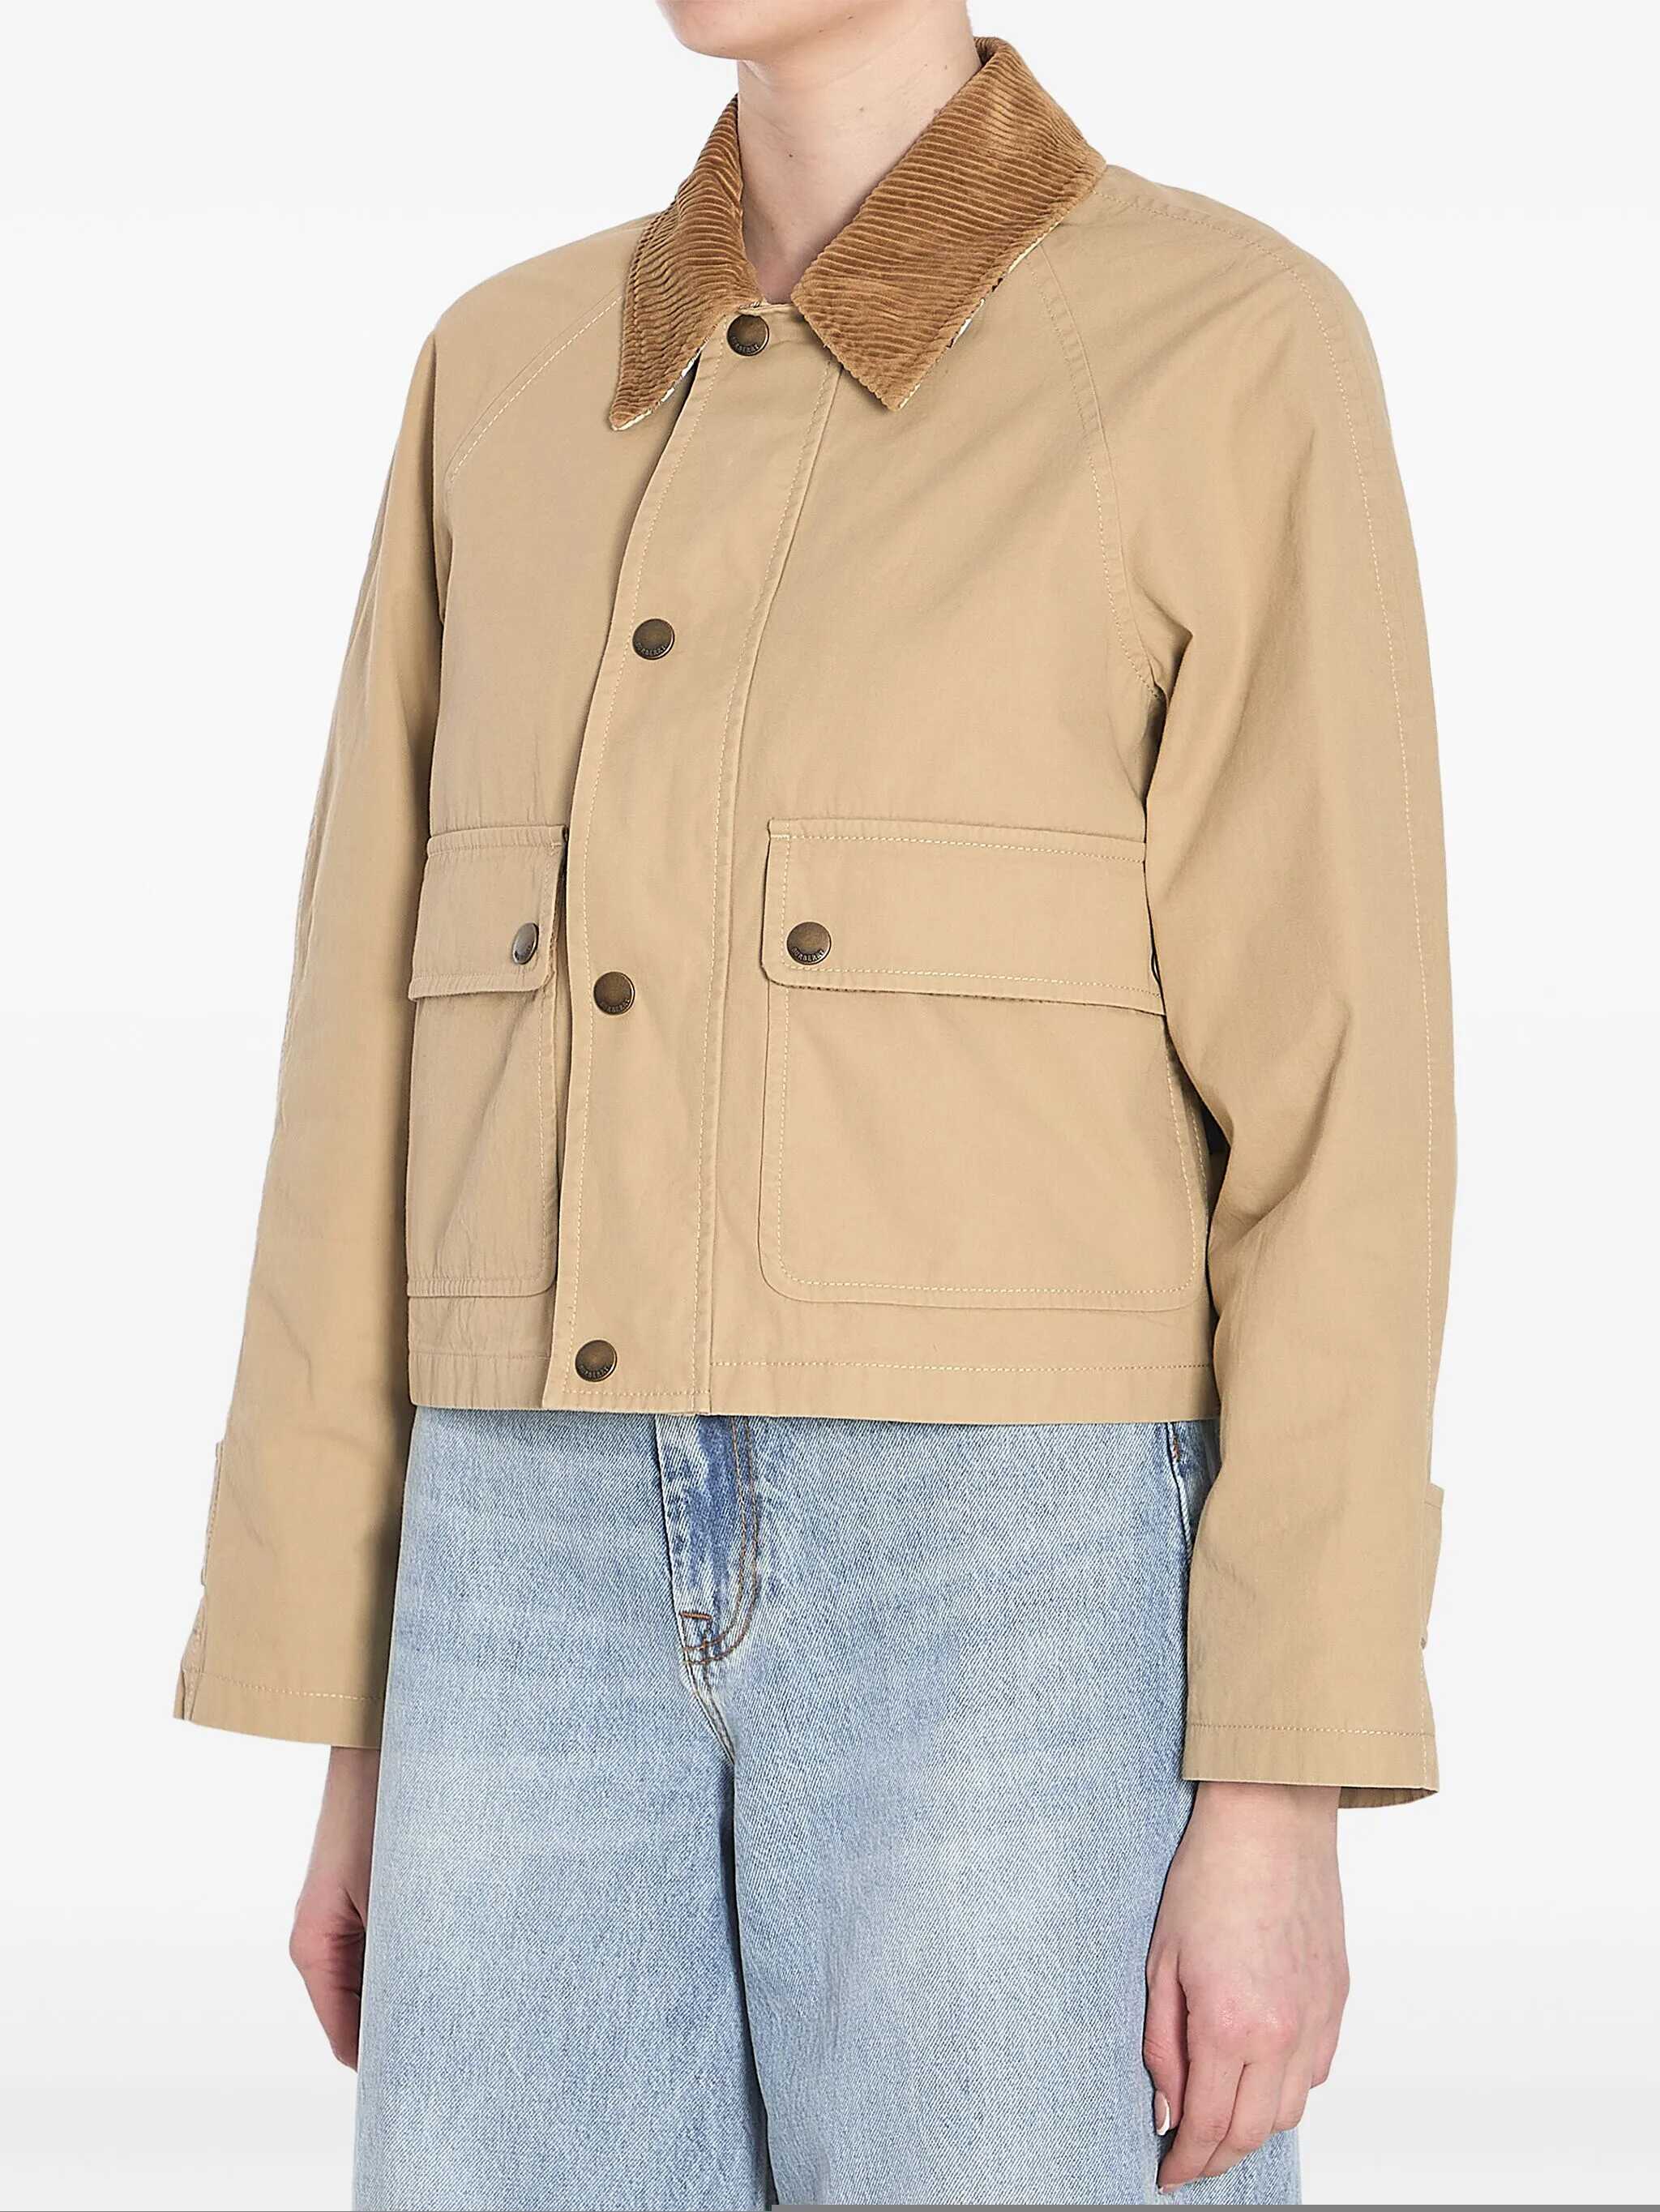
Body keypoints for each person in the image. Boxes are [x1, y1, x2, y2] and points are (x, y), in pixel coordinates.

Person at [176, 2, 1453, 2205]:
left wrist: (1280, 1784)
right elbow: (362, 1071)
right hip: (515, 1561)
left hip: (1016, 1576)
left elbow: (1345, 1110)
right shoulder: (502, 372)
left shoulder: (1225, 345)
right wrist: (361, 1720)